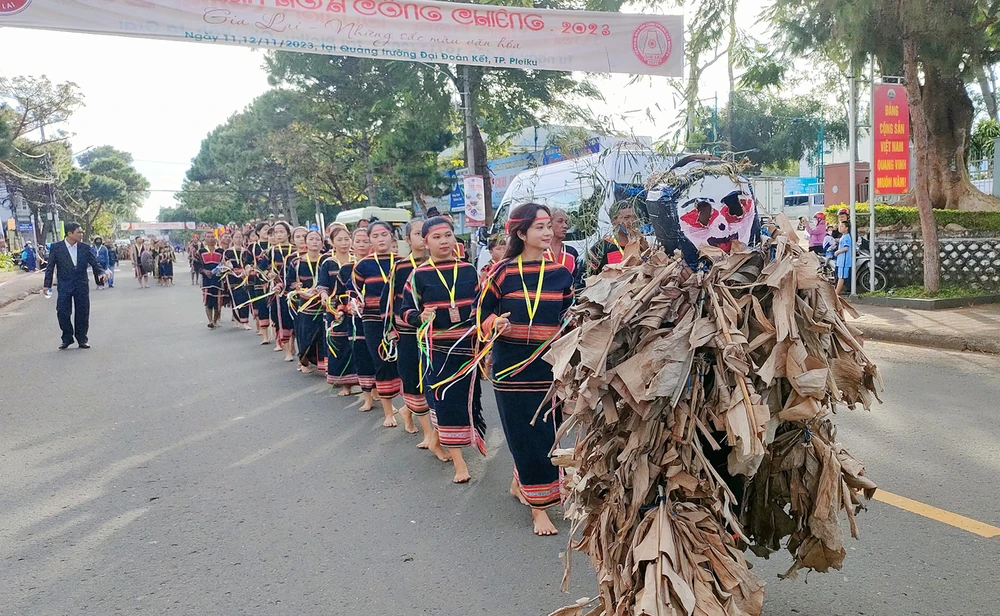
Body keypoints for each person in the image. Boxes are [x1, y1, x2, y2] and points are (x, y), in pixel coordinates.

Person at [476, 203, 574, 536]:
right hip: (511, 370)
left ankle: (522, 484)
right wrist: (495, 322)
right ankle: (539, 510)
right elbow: (481, 314)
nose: (548, 232)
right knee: (523, 436)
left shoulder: (561, 273)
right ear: (521, 233)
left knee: (547, 434)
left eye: (549, 226)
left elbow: (569, 316)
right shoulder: (501, 272)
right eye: (540, 227)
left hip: (549, 369)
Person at [402, 216, 486, 481]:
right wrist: (419, 317)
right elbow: (403, 312)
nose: (444, 241)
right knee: (445, 401)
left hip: (468, 348)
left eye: (448, 235)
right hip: (436, 349)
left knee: (466, 400)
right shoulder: (418, 275)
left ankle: (438, 439)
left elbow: (481, 307)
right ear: (425, 242)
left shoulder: (468, 270)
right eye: (437, 237)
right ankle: (460, 463)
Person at [353, 221, 403, 427]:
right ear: (370, 240)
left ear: (392, 237)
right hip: (372, 320)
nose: (381, 239)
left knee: (403, 363)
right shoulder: (363, 265)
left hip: (399, 320)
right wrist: (353, 302)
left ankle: (409, 408)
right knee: (381, 362)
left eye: (384, 234)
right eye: (375, 236)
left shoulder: (402, 262)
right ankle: (388, 411)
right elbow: (352, 291)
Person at [43, 222, 107, 350]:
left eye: (82, 232)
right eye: (79, 232)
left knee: (82, 312)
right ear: (69, 233)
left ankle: (82, 338)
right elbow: (50, 267)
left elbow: (94, 263)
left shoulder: (85, 247)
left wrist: (101, 272)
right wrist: (47, 285)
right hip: (64, 285)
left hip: (81, 284)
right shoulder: (56, 248)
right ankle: (67, 338)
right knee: (62, 312)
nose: (81, 234)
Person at [391, 219, 428, 435]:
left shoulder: (447, 264)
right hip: (408, 332)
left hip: (437, 333)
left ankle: (408, 411)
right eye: (417, 234)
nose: (423, 238)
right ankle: (427, 432)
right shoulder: (401, 267)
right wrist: (391, 329)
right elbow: (390, 301)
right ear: (408, 239)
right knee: (413, 377)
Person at [318, 224, 359, 396]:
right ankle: (345, 384)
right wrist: (324, 296)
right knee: (339, 344)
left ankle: (365, 384)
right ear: (332, 243)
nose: (344, 243)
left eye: (346, 239)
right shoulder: (328, 263)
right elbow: (322, 285)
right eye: (339, 240)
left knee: (356, 344)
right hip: (335, 310)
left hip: (355, 309)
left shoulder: (357, 261)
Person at [341, 228, 377, 412]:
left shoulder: (379, 264)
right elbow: (342, 295)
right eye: (358, 241)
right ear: (352, 244)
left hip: (377, 319)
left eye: (365, 241)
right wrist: (348, 306)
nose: (362, 245)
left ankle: (382, 392)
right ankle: (367, 397)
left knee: (379, 356)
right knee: (362, 357)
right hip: (355, 320)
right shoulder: (346, 268)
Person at [287, 230, 328, 374]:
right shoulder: (296, 262)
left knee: (322, 335)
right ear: (306, 242)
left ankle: (324, 365)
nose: (315, 242)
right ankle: (304, 361)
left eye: (318, 239)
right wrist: (298, 289)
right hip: (304, 305)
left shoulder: (327, 261)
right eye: (311, 239)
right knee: (305, 335)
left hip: (323, 304)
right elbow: (290, 283)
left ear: (322, 243)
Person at [259, 222, 296, 360]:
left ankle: (292, 346)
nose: (278, 235)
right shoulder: (271, 252)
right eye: (276, 232)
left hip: (293, 291)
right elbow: (260, 269)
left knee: (294, 320)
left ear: (288, 233)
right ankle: (287, 351)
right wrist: (269, 273)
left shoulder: (296, 250)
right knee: (281, 320)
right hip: (277, 292)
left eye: (281, 231)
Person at [586, 202, 643, 274]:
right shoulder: (600, 248)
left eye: (634, 217)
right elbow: (583, 280)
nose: (631, 221)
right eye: (626, 218)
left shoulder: (641, 245)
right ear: (613, 221)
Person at [224, 230, 252, 330]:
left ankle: (245, 321)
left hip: (244, 278)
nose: (238, 239)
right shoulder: (227, 252)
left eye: (240, 237)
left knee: (245, 299)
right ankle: (236, 319)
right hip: (232, 278)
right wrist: (228, 267)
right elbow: (224, 265)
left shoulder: (246, 251)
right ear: (232, 238)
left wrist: (247, 270)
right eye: (236, 237)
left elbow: (249, 263)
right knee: (235, 299)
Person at [548, 208, 581, 285]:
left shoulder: (572, 252)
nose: (565, 226)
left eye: (566, 222)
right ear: (549, 224)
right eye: (560, 221)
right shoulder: (539, 251)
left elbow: (577, 279)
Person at [199, 233, 225, 328]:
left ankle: (215, 320)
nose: (210, 239)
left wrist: (221, 271)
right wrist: (203, 271)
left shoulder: (221, 251)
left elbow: (224, 264)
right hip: (206, 280)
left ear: (216, 238)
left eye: (212, 237)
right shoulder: (201, 252)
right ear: (205, 239)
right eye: (208, 237)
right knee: (207, 301)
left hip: (218, 279)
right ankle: (210, 321)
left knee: (218, 302)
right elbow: (197, 265)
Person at [834, 220, 853, 295]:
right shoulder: (843, 236)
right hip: (841, 260)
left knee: (841, 277)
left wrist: (837, 252)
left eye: (842, 226)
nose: (840, 228)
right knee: (840, 277)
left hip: (844, 261)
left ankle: (836, 293)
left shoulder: (847, 237)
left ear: (846, 228)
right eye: (839, 226)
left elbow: (846, 248)